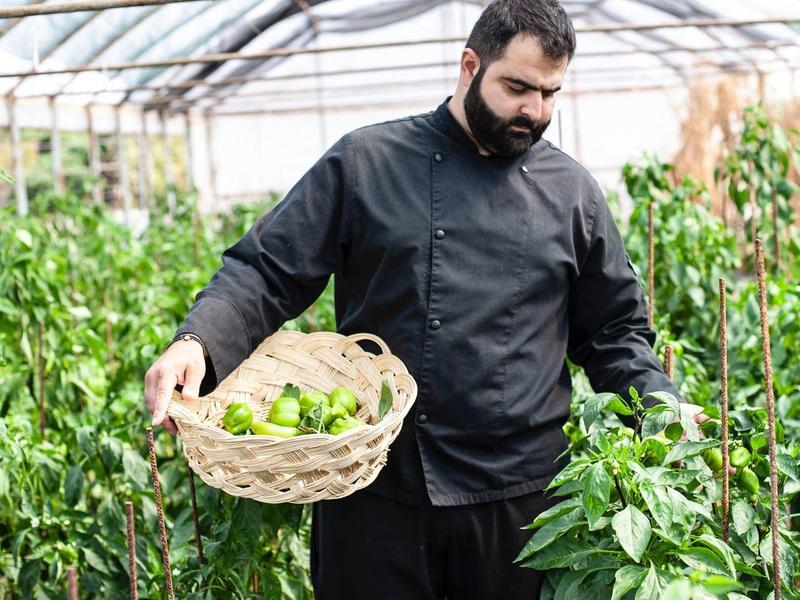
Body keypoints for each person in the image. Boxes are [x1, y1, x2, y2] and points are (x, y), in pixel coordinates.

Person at [145, 1, 704, 597]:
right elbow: (267, 270)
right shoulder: (366, 164)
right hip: (374, 488)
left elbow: (614, 331)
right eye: (517, 88)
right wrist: (198, 342)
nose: (535, 111)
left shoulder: (572, 194)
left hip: (520, 507)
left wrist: (662, 408)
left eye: (550, 93)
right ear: (469, 66)